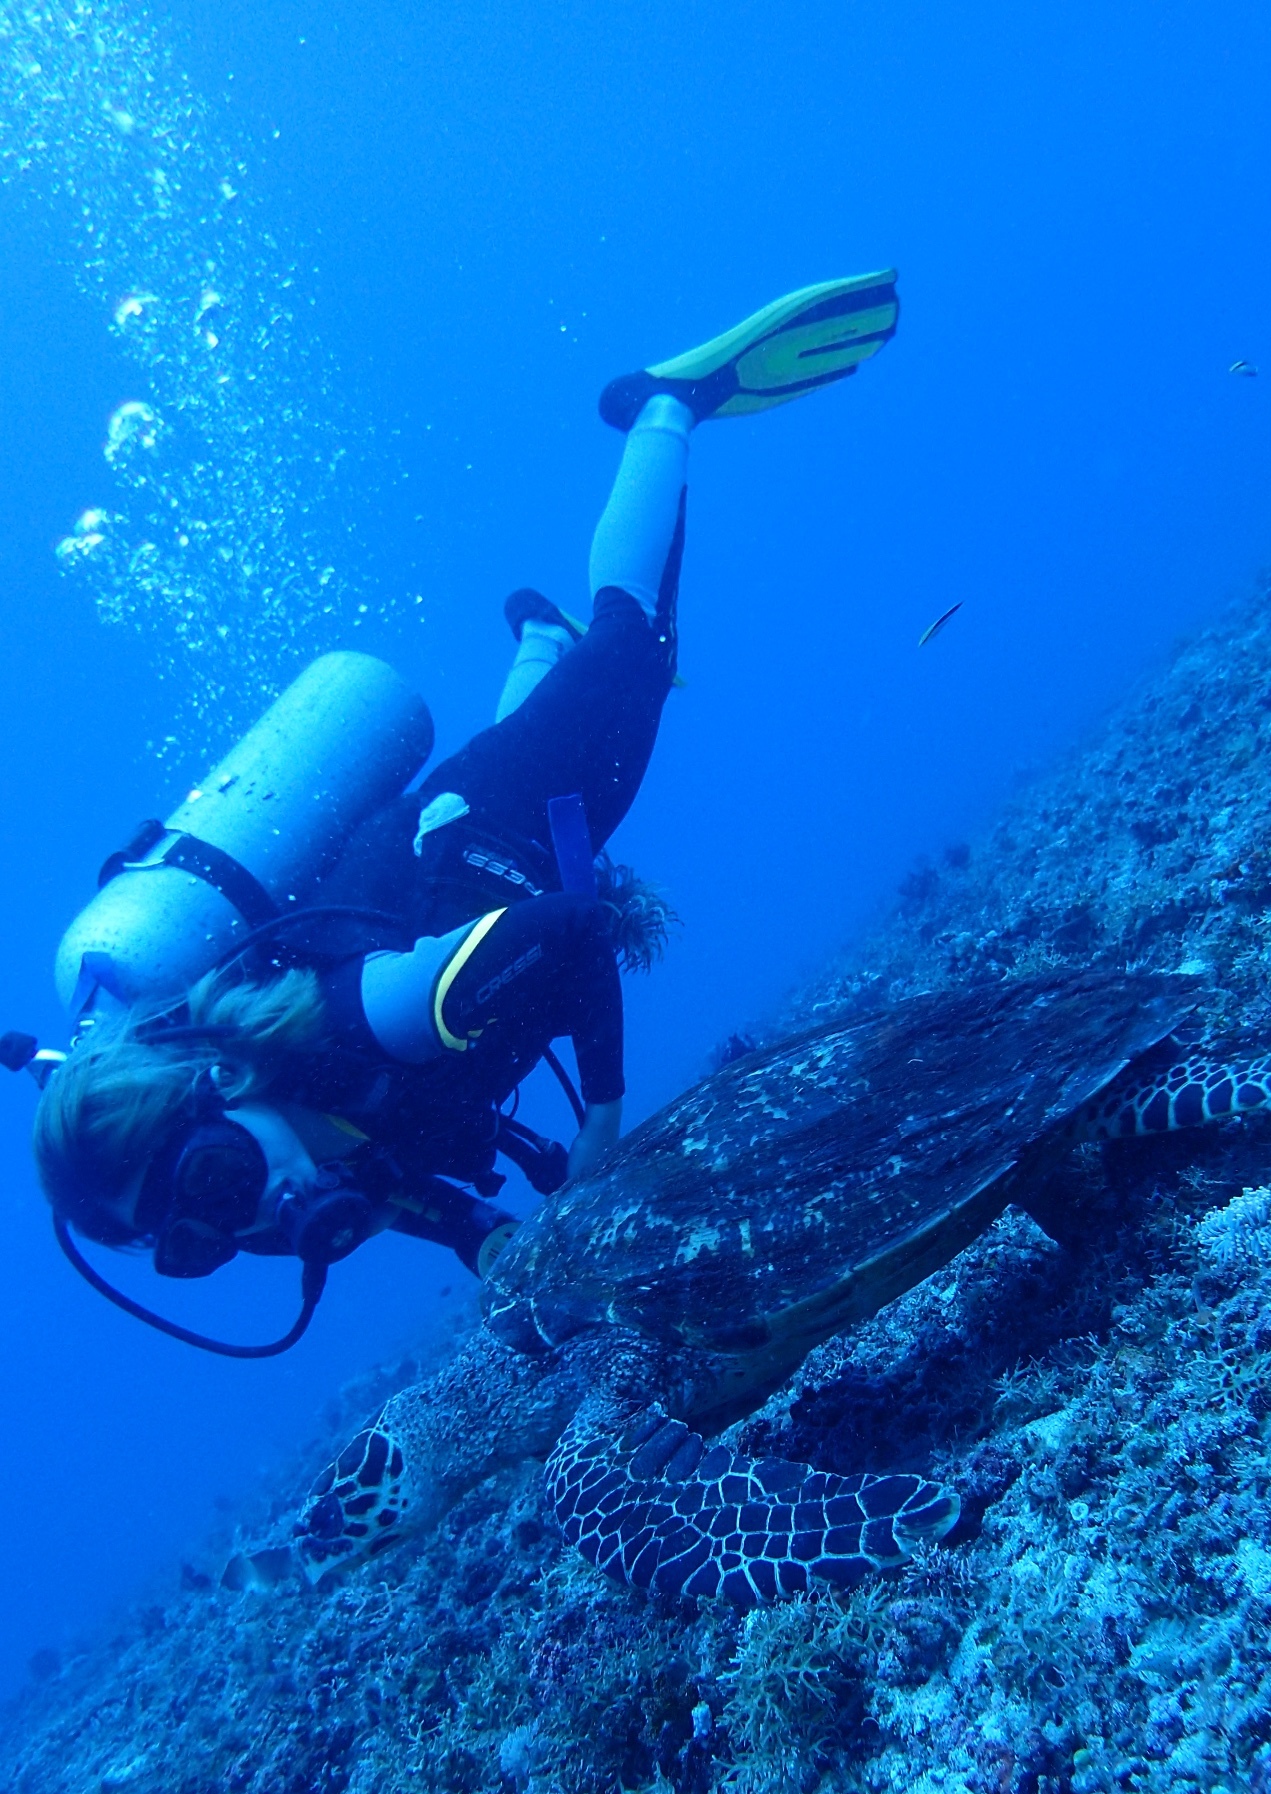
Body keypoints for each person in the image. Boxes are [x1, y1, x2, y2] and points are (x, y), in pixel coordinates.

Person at [30, 271, 901, 1334]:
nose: (243, 1215)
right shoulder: (289, 1148)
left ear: (217, 1080)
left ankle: (665, 404)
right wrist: (484, 1237)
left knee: (635, 640)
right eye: (194, 1242)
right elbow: (390, 1173)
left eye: (209, 1180)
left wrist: (605, 1125)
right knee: (542, 725)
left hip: (503, 818)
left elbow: (575, 930)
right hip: (452, 844)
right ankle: (539, 644)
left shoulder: (368, 1016)